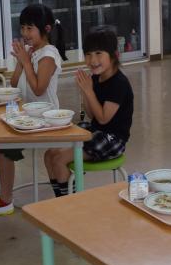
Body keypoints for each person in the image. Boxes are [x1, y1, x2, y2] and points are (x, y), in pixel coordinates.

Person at [0, 4, 66, 217]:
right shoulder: (30, 52)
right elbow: (14, 85)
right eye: (22, 28)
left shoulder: (49, 55)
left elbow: (39, 88)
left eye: (30, 29)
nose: (25, 34)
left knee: (5, 146)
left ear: (46, 29)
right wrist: (20, 62)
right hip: (26, 115)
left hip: (45, 119)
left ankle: (5, 200)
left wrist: (25, 61)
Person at [44, 28, 133, 198]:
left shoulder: (119, 83)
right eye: (88, 54)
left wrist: (88, 91)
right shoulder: (96, 77)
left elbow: (103, 118)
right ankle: (62, 198)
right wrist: (85, 91)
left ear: (114, 55)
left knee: (59, 159)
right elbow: (93, 116)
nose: (92, 60)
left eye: (99, 53)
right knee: (50, 154)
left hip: (113, 139)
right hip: (97, 131)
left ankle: (71, 203)